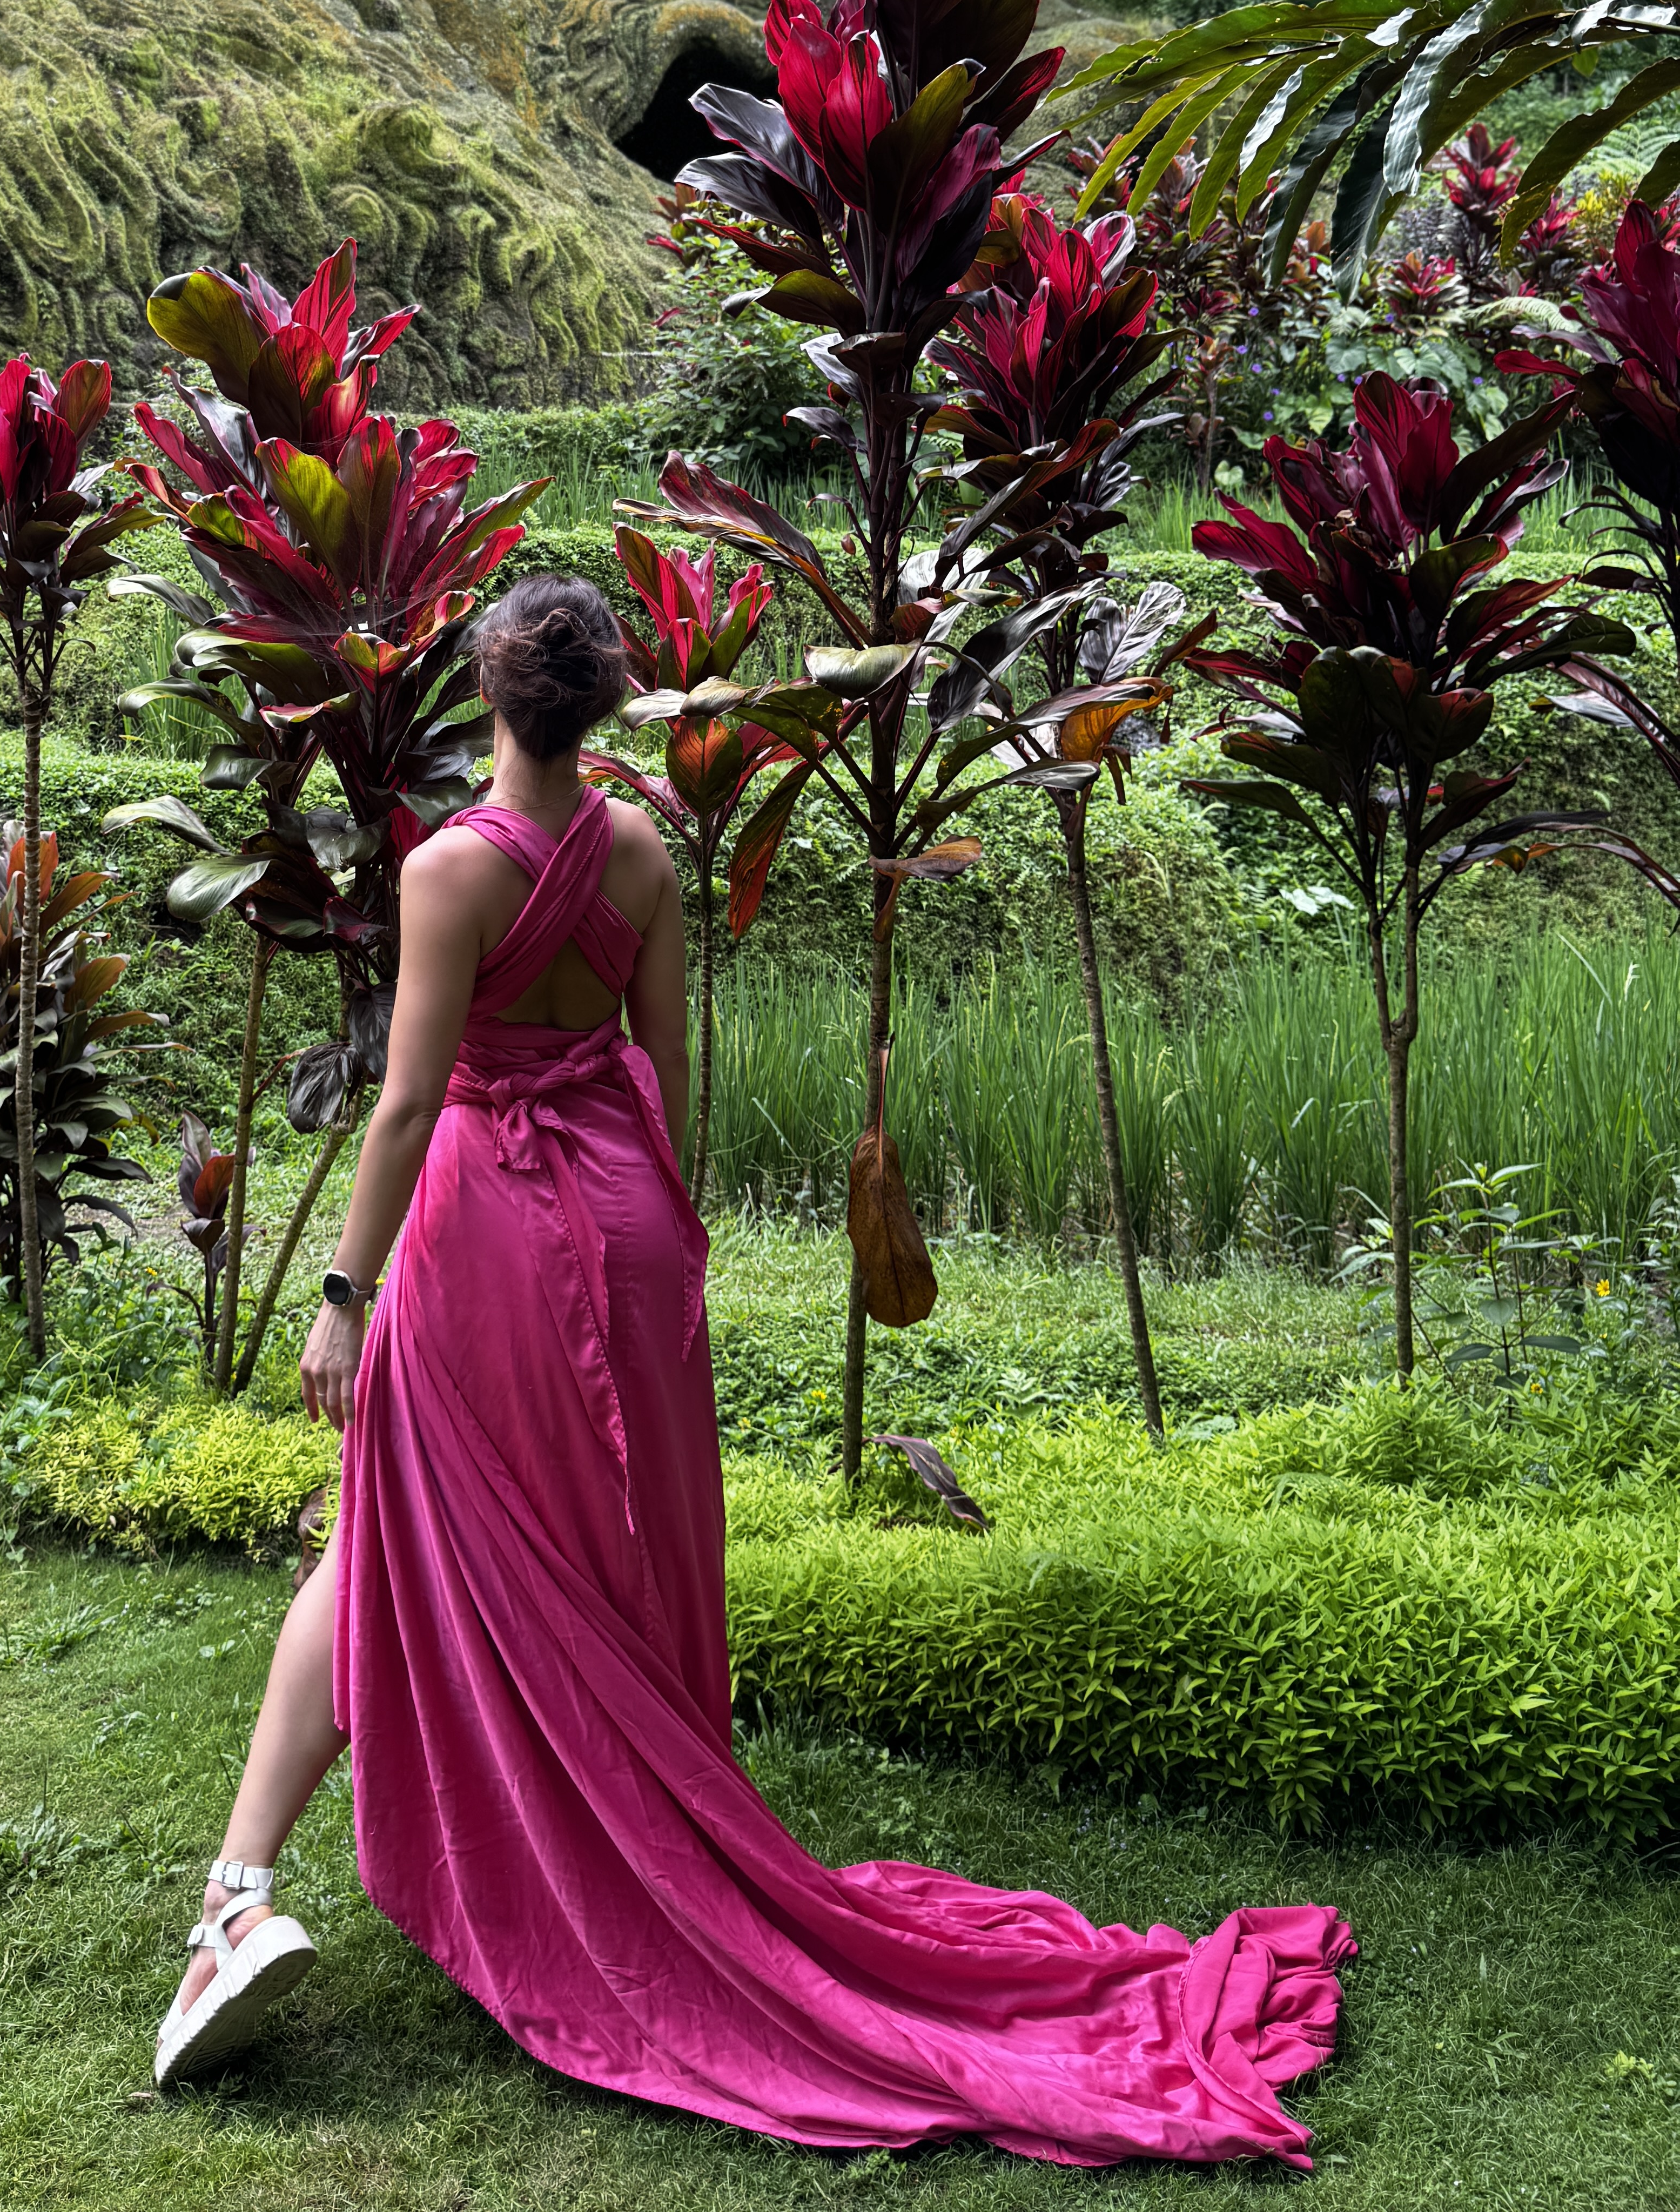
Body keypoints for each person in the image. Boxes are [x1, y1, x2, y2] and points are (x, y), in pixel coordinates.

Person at [152, 574, 1353, 2167]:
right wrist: (649, 1234)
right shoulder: (644, 848)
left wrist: (338, 1296)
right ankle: (289, 1886)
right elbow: (664, 1061)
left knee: (406, 1529)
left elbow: (404, 1105)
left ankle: (259, 1895)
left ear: (487, 698)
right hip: (633, 1219)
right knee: (598, 1537)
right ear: (603, 701)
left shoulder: (444, 870)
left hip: (490, 1234)